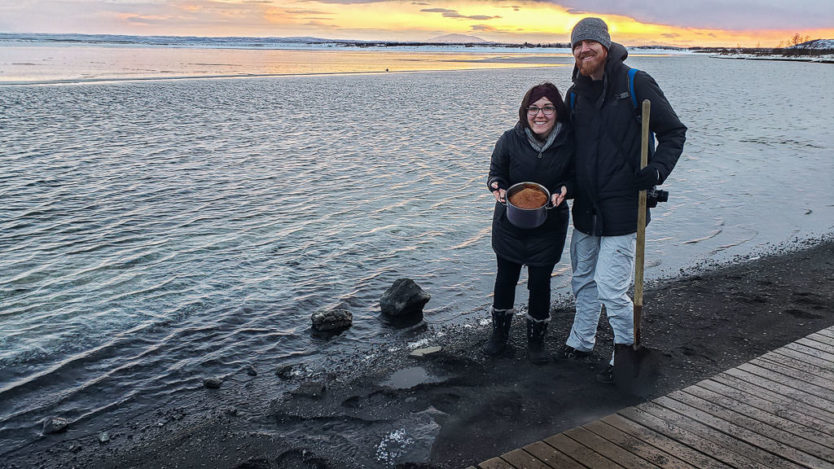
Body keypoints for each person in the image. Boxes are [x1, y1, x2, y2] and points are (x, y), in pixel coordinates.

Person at [561, 17, 687, 382]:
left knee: (610, 287)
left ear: (605, 46)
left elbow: (674, 132)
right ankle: (580, 342)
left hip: (624, 206)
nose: (583, 50)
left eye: (590, 43)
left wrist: (659, 170)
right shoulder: (574, 94)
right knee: (583, 280)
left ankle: (625, 352)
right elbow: (570, 149)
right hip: (585, 207)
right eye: (577, 45)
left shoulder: (636, 82)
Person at [485, 82, 575, 364]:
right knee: (505, 279)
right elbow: (495, 172)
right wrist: (497, 186)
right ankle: (499, 336)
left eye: (548, 108)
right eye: (533, 108)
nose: (540, 114)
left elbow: (575, 178)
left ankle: (536, 342)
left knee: (540, 283)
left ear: (557, 111)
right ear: (525, 112)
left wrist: (565, 190)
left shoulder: (569, 142)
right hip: (509, 221)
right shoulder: (509, 139)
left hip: (549, 224)